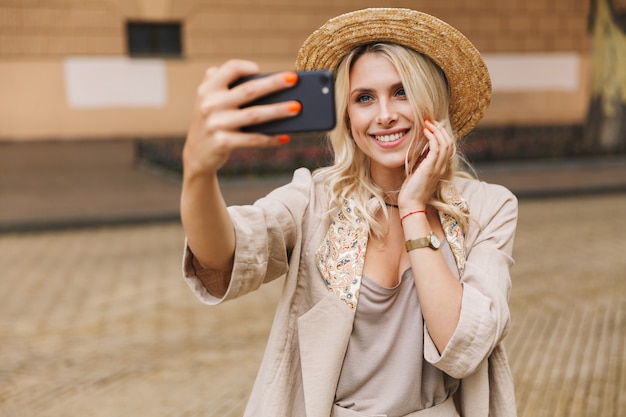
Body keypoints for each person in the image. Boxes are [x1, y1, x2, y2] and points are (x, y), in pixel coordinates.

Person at [181, 8, 518, 417]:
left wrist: (413, 208)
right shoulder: (315, 198)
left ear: (433, 102)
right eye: (364, 98)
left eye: (402, 91)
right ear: (346, 115)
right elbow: (223, 257)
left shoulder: (489, 207)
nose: (384, 115)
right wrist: (198, 173)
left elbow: (462, 347)